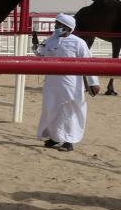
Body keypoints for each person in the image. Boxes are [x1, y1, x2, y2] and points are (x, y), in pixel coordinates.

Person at [34, 12, 99, 152]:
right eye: (56, 24)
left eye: (59, 25)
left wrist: (93, 82)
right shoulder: (50, 40)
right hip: (52, 83)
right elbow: (42, 55)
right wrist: (35, 48)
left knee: (69, 111)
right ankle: (55, 137)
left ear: (69, 28)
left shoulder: (79, 43)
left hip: (71, 84)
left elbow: (89, 63)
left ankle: (69, 141)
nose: (56, 27)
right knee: (51, 109)